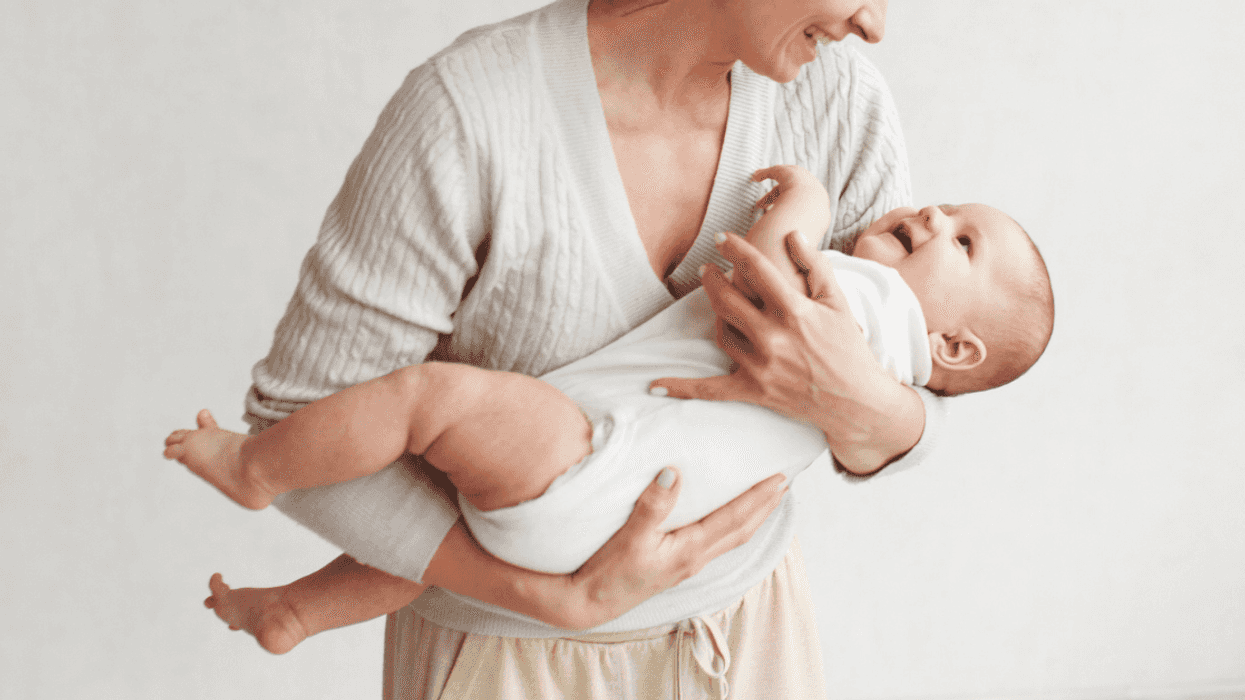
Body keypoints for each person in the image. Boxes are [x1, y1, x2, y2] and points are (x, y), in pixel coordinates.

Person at [239, 0, 940, 695]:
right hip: (506, 663)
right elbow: (294, 430)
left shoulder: (838, 99)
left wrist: (870, 406)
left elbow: (931, 352)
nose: (874, 24)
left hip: (751, 643)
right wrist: (550, 598)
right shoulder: (470, 115)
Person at [165, 165, 1053, 657]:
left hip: (593, 461)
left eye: (962, 239)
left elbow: (757, 275)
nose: (931, 210)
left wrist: (806, 201)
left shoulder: (868, 306)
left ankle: (257, 469)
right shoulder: (885, 342)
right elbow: (885, 439)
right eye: (950, 206)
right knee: (439, 529)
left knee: (424, 401)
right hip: (617, 518)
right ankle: (300, 612)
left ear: (952, 349)